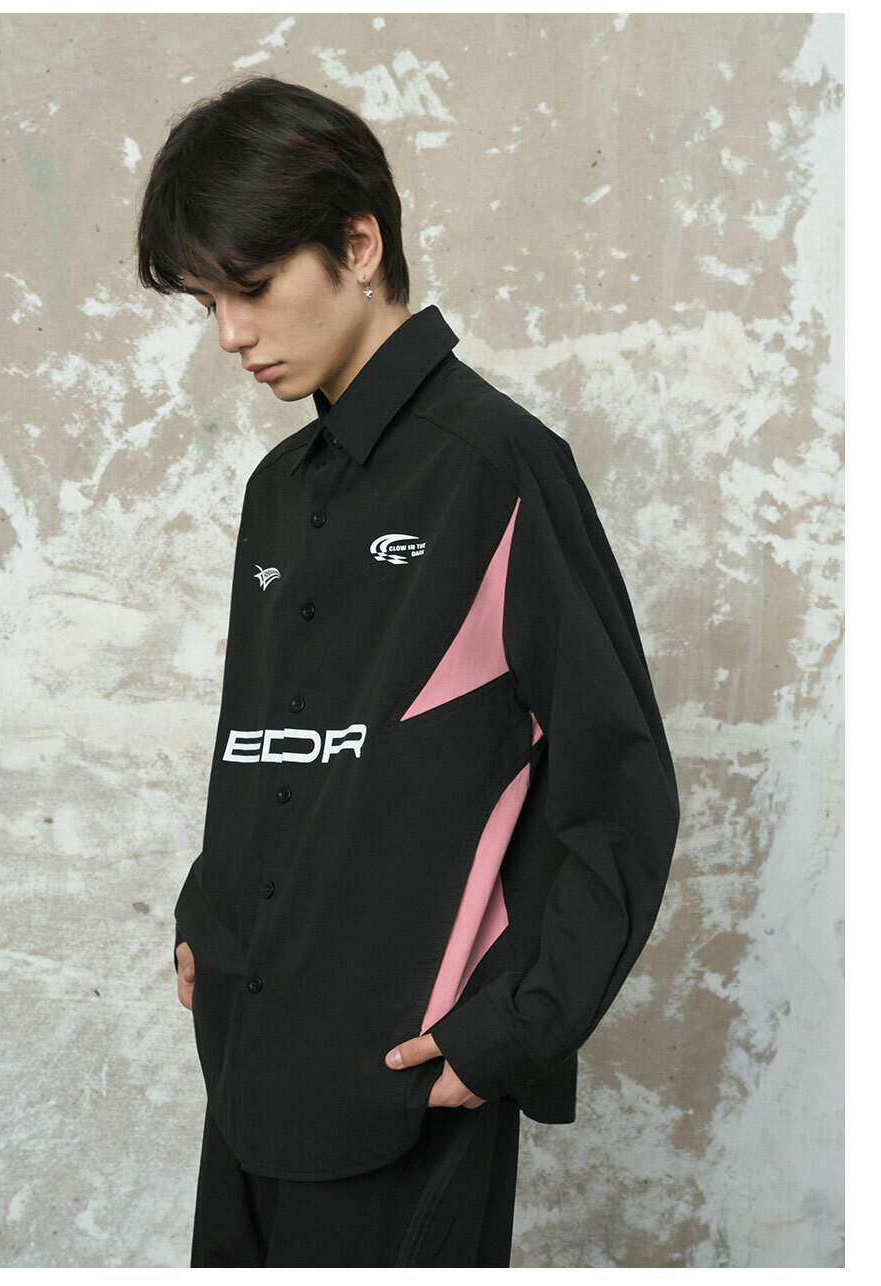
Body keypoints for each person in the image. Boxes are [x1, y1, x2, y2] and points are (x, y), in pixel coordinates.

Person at [135, 73, 679, 1268]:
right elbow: (271, 747)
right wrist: (207, 908)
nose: (230, 335)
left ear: (359, 244)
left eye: (251, 287)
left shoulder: (496, 467)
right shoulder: (278, 493)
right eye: (208, 301)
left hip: (402, 1091)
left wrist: (514, 1030)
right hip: (250, 1069)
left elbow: (622, 789)